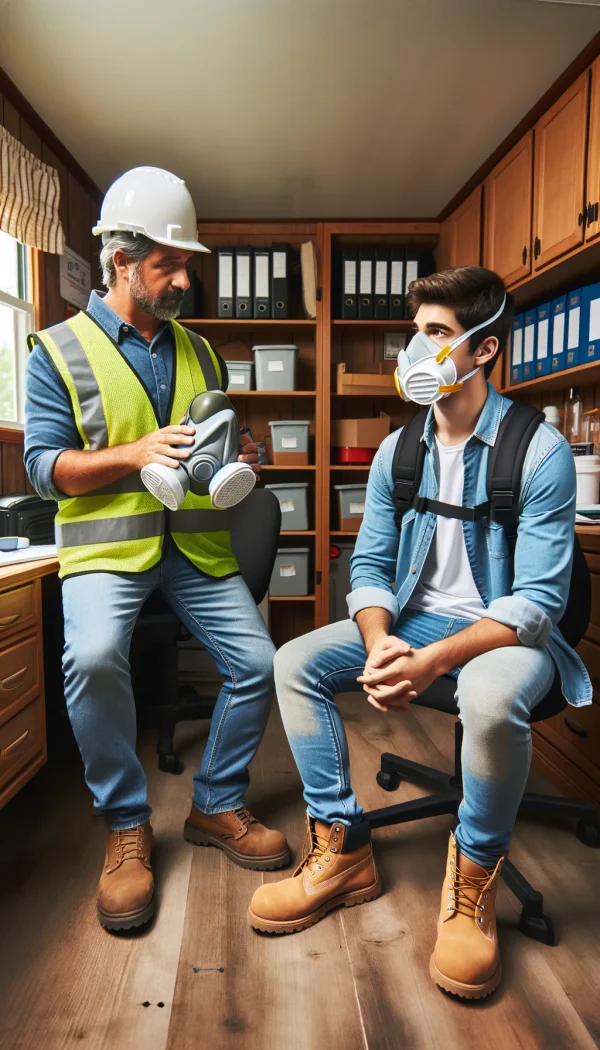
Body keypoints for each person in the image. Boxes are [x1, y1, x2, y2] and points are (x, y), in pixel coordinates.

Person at [248, 266, 591, 1000]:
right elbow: (368, 566)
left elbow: (536, 603)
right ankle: (341, 848)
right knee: (294, 659)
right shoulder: (398, 451)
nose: (415, 352)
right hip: (415, 620)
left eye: (435, 334)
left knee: (492, 700)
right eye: (415, 334)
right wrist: (378, 641)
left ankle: (473, 879)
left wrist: (434, 660)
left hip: (505, 636)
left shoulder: (539, 453)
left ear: (484, 350)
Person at [24, 167, 289, 932]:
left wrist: (242, 454)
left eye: (187, 264)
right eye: (168, 264)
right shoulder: (58, 352)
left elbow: (211, 446)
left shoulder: (202, 353)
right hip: (108, 549)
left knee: (258, 662)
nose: (182, 279)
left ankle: (216, 804)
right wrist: (134, 454)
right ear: (120, 260)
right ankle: (126, 824)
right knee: (96, 656)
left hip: (195, 548)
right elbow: (45, 470)